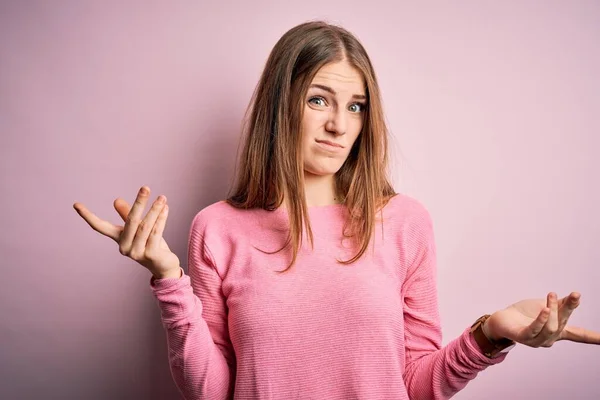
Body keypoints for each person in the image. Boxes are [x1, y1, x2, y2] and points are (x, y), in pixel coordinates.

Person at [73, 20, 599, 400]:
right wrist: (169, 279)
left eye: (356, 106)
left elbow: (416, 384)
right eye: (319, 100)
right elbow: (213, 391)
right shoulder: (216, 228)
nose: (339, 126)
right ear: (283, 106)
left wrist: (492, 332)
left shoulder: (404, 223)